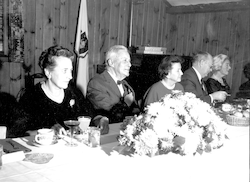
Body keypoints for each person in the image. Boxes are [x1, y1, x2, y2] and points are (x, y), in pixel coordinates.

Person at [19, 45, 92, 135]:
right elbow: (20, 133)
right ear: (48, 72)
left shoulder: (75, 93)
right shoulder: (31, 97)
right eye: (64, 71)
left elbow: (90, 115)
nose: (70, 76)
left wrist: (101, 119)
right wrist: (49, 131)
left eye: (70, 71)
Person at [87, 45, 140, 125]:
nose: (129, 65)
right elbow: (108, 115)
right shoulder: (96, 83)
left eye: (129, 61)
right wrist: (126, 103)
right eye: (124, 61)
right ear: (111, 63)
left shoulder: (125, 85)